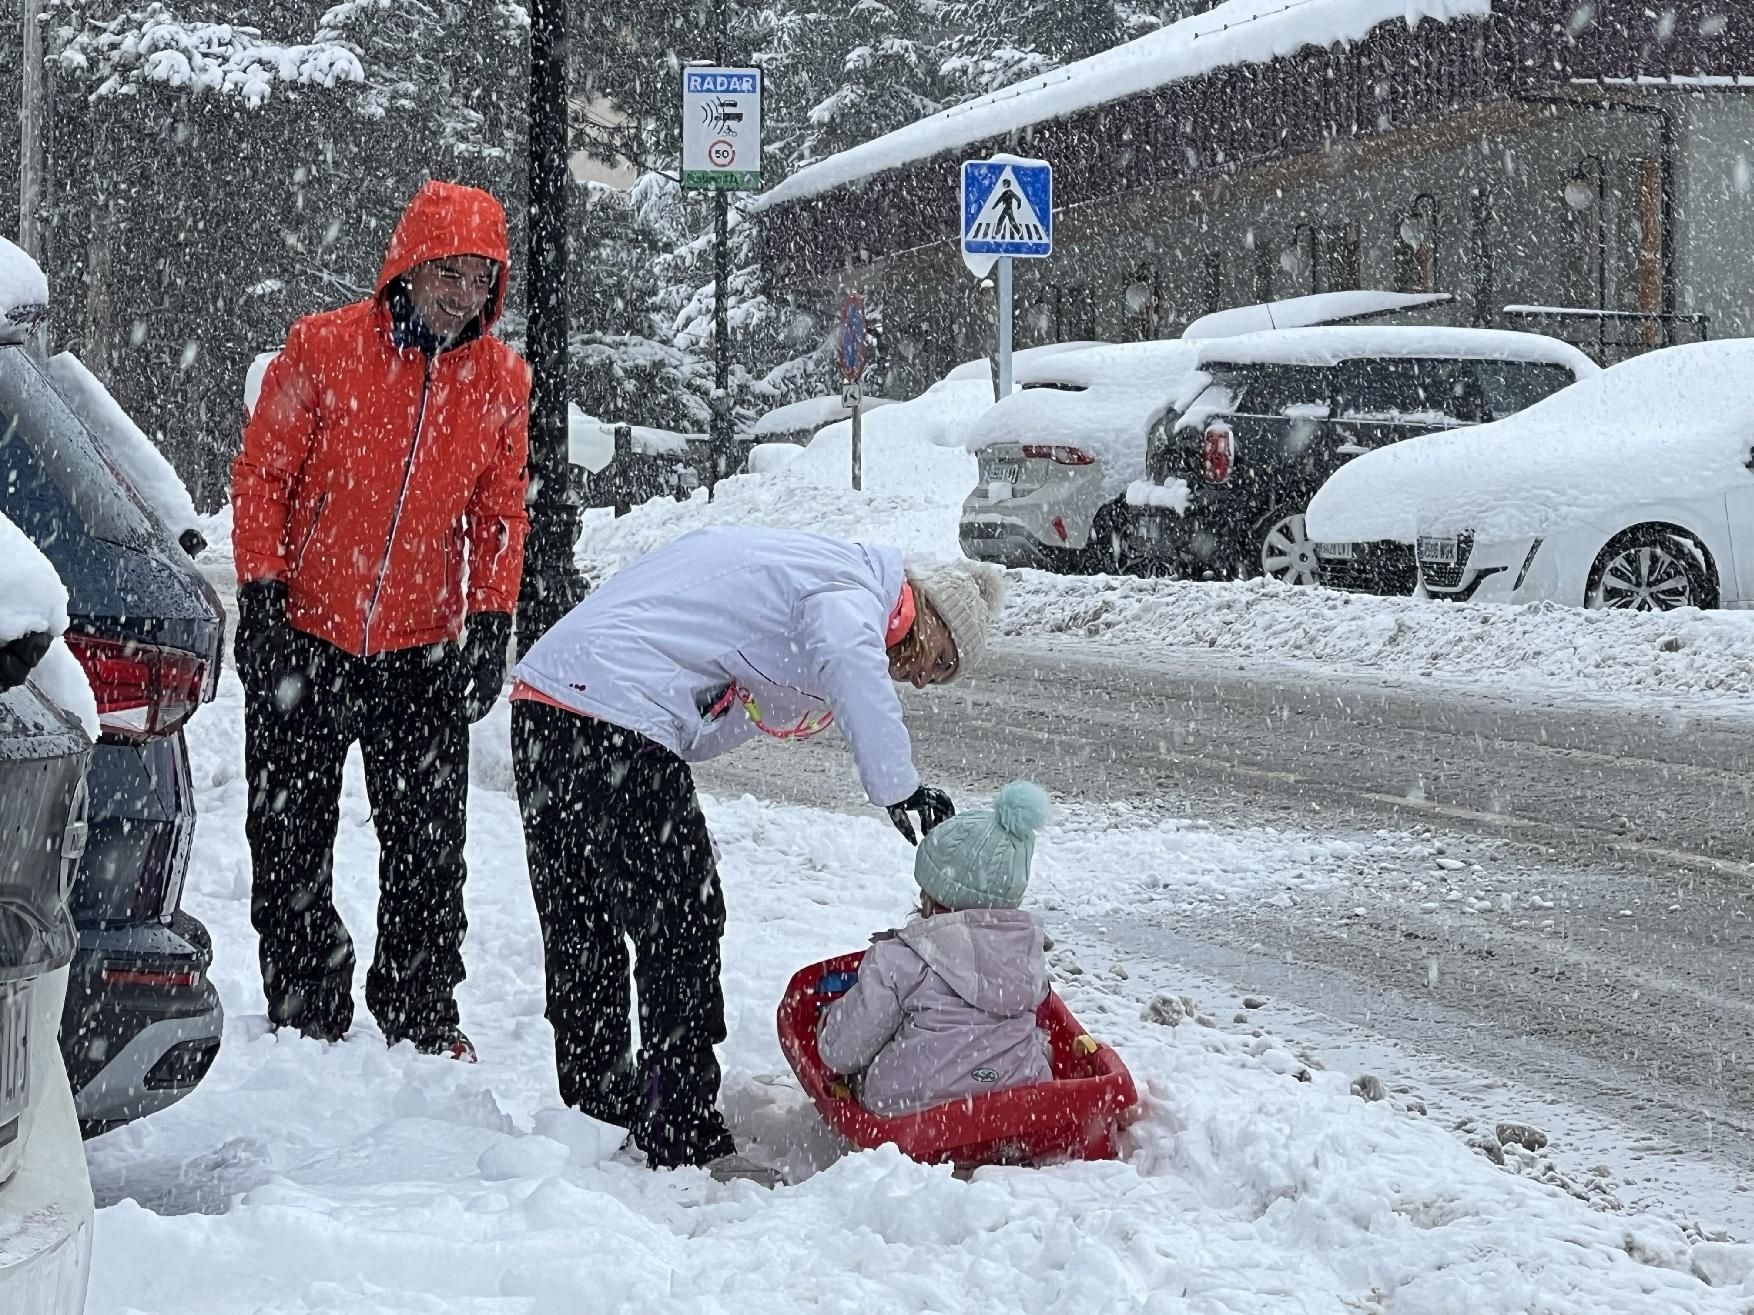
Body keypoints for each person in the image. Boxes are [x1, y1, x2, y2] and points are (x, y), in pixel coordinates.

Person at [509, 526, 1004, 1176]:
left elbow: (741, 694)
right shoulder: (860, 588)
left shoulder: (803, 572)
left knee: (585, 917)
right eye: (942, 662)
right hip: (615, 716)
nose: (925, 681)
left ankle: (596, 1104)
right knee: (683, 920)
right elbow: (848, 655)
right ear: (929, 615)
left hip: (549, 703)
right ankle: (681, 1131)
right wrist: (901, 789)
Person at [231, 180, 531, 1062]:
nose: (462, 295)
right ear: (408, 265)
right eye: (448, 272)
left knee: (430, 850)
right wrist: (260, 596)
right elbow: (263, 478)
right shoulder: (322, 349)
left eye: (481, 279)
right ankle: (305, 1001)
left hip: (418, 651)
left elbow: (500, 513)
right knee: (288, 835)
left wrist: (490, 617)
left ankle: (420, 1007)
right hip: (308, 636)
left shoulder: (501, 384)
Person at [816, 780, 1054, 1114]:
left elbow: (844, 1051)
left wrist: (828, 1023)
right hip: (1017, 1103)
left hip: (912, 1106)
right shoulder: (1026, 955)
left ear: (931, 892)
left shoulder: (899, 960)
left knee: (863, 1054)